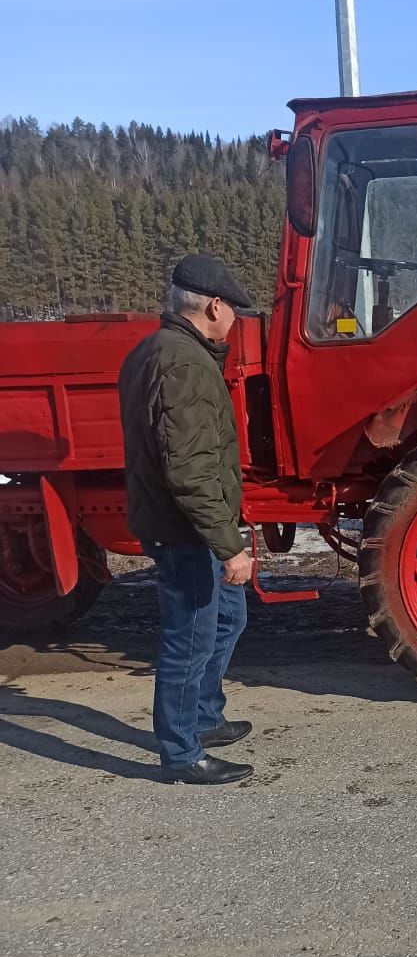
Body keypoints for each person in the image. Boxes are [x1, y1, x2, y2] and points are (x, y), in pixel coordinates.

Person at [119, 255, 257, 783]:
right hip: (183, 529)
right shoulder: (185, 365)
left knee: (228, 617)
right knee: (190, 637)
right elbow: (190, 471)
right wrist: (229, 545)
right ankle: (181, 753)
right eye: (235, 311)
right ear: (215, 307)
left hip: (182, 522)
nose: (237, 322)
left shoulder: (153, 352)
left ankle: (202, 716)